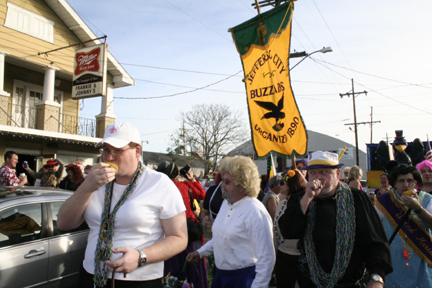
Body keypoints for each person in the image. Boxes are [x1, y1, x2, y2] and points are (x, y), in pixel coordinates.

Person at [56, 121, 187, 288]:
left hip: (139, 280)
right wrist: (87, 187)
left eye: (118, 150)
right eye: (106, 150)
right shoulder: (95, 181)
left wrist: (141, 256)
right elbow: (64, 223)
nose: (109, 157)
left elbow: (179, 238)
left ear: (137, 151)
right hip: (93, 275)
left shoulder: (159, 183)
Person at [278, 151, 392, 288]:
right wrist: (307, 198)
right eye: (313, 173)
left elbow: (375, 241)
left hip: (349, 282)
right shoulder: (300, 199)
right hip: (311, 282)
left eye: (324, 172)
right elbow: (288, 231)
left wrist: (377, 277)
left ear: (337, 174)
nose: (317, 177)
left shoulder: (357, 198)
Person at [187, 156, 275, 288]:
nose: (222, 185)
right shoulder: (226, 204)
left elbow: (266, 259)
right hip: (221, 277)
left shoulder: (255, 211)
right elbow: (220, 238)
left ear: (242, 184)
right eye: (222, 180)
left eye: (227, 182)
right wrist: (200, 252)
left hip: (243, 279)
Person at [375, 164, 432, 287]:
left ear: (415, 182)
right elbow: (372, 229)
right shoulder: (383, 202)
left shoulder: (427, 200)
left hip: (422, 264)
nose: (406, 184)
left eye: (409, 180)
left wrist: (417, 208)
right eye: (401, 181)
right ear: (394, 183)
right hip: (394, 264)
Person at [156, 161, 207, 288]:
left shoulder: (157, 188)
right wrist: (193, 180)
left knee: (171, 271)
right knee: (190, 267)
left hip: (167, 234)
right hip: (188, 230)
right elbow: (202, 195)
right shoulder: (183, 185)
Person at [274, 169, 307, 288]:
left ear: (292, 184)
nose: (279, 186)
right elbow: (275, 232)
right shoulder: (281, 205)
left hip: (301, 257)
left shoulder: (304, 205)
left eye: (283, 183)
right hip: (283, 255)